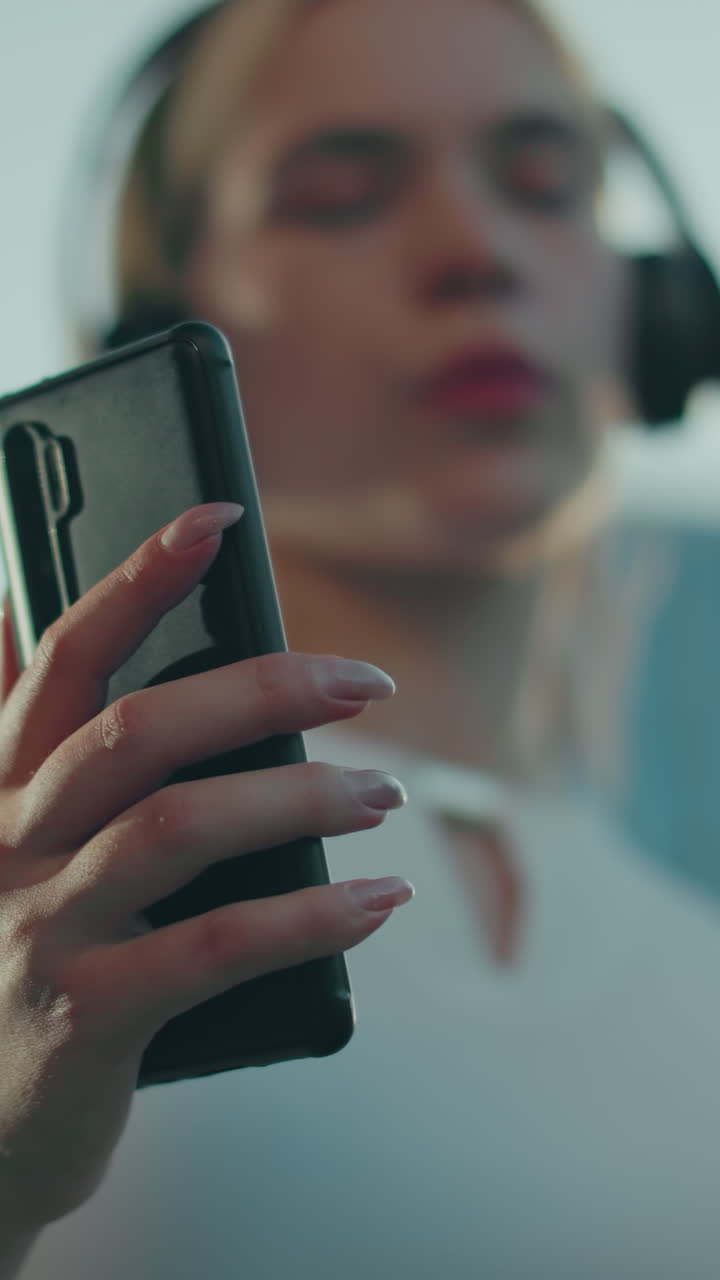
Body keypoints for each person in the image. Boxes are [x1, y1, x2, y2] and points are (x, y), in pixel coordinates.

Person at [6, 0, 720, 1276]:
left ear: (658, 310)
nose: (476, 247)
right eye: (339, 194)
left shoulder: (694, 968)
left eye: (548, 184)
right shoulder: (36, 902)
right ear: (160, 329)